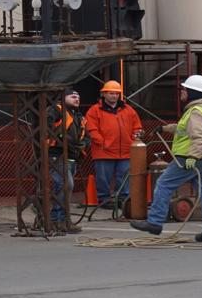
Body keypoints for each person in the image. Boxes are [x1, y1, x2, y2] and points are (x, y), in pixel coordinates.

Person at [130, 75, 202, 243]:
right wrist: (165, 128)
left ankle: (155, 222)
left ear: (193, 92)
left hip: (191, 158)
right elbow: (186, 129)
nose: (182, 92)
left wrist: (193, 156)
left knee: (164, 184)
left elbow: (200, 136)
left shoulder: (196, 111)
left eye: (184, 90)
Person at [84, 79, 142, 210]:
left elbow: (137, 127)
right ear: (103, 94)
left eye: (116, 93)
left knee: (124, 177)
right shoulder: (94, 111)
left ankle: (123, 199)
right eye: (111, 93)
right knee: (103, 178)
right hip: (104, 151)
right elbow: (91, 129)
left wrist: (134, 138)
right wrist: (103, 143)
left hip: (125, 150)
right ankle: (104, 199)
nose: (114, 96)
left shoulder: (129, 110)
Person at [43, 88, 87, 233]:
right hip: (57, 154)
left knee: (64, 187)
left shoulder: (78, 116)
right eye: (73, 96)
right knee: (65, 185)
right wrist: (62, 140)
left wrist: (84, 144)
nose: (77, 99)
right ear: (64, 98)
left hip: (72, 155)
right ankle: (58, 219)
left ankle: (60, 219)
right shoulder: (56, 110)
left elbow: (85, 135)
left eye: (78, 97)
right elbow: (46, 127)